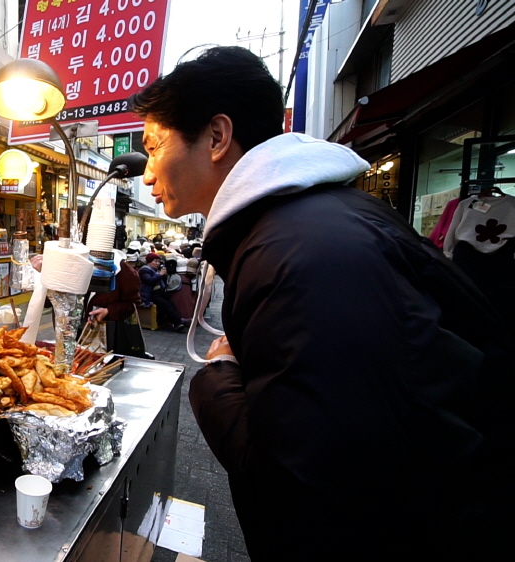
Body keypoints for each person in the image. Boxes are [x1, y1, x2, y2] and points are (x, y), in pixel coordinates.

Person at [131, 46, 511, 559]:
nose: (147, 173)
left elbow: (305, 492)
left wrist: (218, 379)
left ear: (217, 137)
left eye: (154, 147)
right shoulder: (308, 225)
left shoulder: (302, 254)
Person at [138, 253, 186, 331]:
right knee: (165, 304)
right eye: (155, 261)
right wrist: (160, 274)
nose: (157, 263)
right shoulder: (144, 270)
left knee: (171, 303)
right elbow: (149, 280)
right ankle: (178, 322)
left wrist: (163, 275)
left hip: (159, 292)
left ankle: (177, 322)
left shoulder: (156, 270)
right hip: (149, 294)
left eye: (158, 261)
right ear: (149, 261)